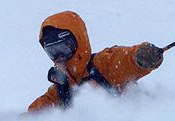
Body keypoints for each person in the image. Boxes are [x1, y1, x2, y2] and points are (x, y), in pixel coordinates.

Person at [27, 10, 164, 112]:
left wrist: (140, 58)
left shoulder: (103, 65)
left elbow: (123, 60)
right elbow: (35, 116)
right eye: (52, 52)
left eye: (63, 49)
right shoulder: (61, 90)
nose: (59, 57)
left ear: (78, 43)